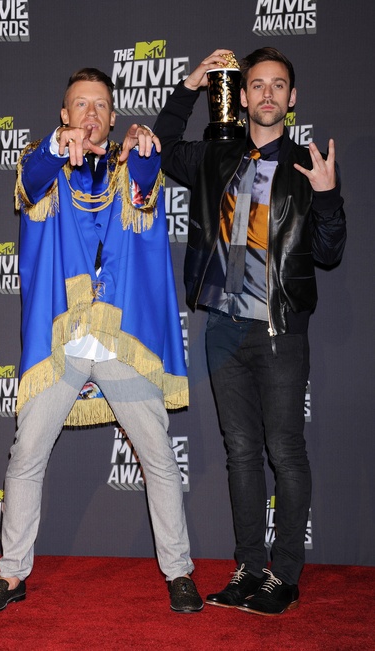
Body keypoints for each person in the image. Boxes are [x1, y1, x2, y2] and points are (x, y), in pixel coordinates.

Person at [0, 68, 203, 615]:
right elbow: (31, 179)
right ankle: (11, 575)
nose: (90, 113)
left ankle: (179, 572)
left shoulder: (131, 162)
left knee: (159, 457)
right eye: (80, 104)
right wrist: (56, 146)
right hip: (63, 343)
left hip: (121, 340)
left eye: (100, 105)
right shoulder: (44, 163)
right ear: (64, 114)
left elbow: (145, 182)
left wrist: (144, 147)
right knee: (26, 455)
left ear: (113, 116)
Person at [153, 47, 346, 616]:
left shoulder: (309, 165)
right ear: (241, 96)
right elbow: (161, 146)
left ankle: (284, 575)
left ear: (292, 98)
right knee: (240, 452)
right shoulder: (217, 155)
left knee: (284, 450)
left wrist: (328, 196)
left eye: (278, 85)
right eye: (257, 84)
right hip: (221, 325)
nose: (267, 94)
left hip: (278, 328)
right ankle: (248, 569)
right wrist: (191, 84)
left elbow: (330, 252)